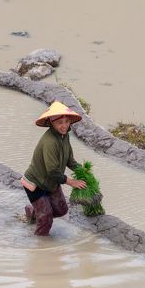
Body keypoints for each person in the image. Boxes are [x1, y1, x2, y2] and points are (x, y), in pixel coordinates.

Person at [21, 101, 87, 236]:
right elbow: (52, 171)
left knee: (61, 210)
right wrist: (72, 182)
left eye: (66, 121)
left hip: (52, 183)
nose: (64, 125)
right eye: (60, 123)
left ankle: (33, 212)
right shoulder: (50, 141)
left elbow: (70, 161)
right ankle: (39, 245)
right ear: (52, 123)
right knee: (46, 219)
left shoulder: (65, 136)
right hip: (36, 184)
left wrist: (83, 171)